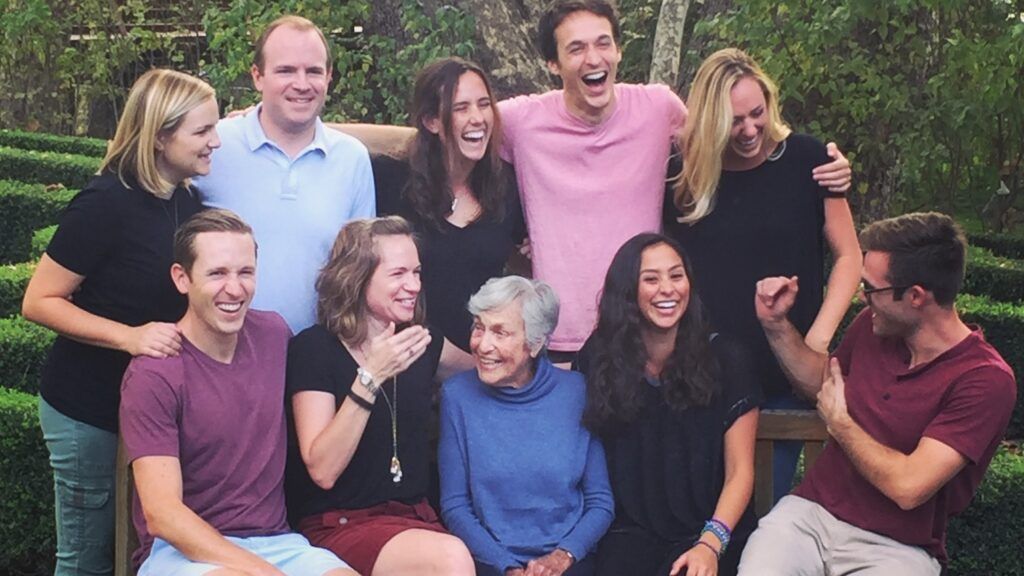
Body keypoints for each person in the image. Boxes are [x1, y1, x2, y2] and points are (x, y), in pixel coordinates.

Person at [334, 0, 853, 364]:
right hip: (554, 340)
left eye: (603, 43)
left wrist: (819, 162)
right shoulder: (521, 121)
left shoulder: (657, 109)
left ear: (619, 51)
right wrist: (318, 133)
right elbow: (449, 126)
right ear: (553, 63)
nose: (593, 58)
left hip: (643, 334)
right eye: (576, 48)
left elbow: (731, 139)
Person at [741, 212, 1016, 575]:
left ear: (916, 296)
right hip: (810, 518)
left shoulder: (984, 380)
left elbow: (908, 486)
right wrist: (775, 325)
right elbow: (823, 383)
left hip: (896, 549)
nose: (860, 296)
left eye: (871, 288)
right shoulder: (873, 329)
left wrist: (841, 424)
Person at [20, 68, 215, 575]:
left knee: (138, 550)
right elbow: (39, 300)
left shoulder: (185, 199)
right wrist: (129, 337)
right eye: (202, 131)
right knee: (87, 559)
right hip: (88, 410)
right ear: (160, 135)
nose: (215, 142)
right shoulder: (105, 202)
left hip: (148, 412)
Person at [664, 47, 862, 502]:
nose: (751, 129)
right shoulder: (685, 177)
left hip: (783, 375)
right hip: (702, 380)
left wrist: (817, 339)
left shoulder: (810, 159)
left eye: (758, 113)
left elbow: (849, 255)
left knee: (760, 514)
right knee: (697, 511)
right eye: (735, 121)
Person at [119, 209, 355, 576]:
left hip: (277, 540)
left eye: (245, 272)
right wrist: (262, 572)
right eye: (217, 273)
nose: (235, 288)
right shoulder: (155, 372)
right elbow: (163, 514)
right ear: (182, 279)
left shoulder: (274, 334)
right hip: (181, 551)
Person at [285, 216, 475, 576]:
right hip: (341, 522)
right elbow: (323, 469)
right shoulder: (315, 349)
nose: (414, 285)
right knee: (450, 559)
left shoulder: (420, 341)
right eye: (399, 273)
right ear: (357, 278)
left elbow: (484, 368)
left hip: (415, 518)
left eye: (417, 273)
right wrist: (371, 376)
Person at [575, 233, 761, 576]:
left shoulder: (727, 359)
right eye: (651, 279)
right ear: (628, 290)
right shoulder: (599, 358)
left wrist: (710, 544)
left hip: (711, 530)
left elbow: (740, 472)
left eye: (676, 275)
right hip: (627, 534)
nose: (668, 289)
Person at [194, 15, 375, 333]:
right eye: (286, 70)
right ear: (257, 77)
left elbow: (360, 270)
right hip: (220, 357)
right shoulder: (215, 146)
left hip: (315, 358)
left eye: (314, 71)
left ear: (329, 77)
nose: (302, 84)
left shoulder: (352, 158)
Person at [439, 276, 614, 576]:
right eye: (479, 327)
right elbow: (455, 506)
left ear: (535, 344)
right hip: (489, 563)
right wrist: (506, 567)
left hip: (570, 563)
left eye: (500, 332)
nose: (483, 345)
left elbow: (601, 501)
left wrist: (562, 557)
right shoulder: (457, 396)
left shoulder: (578, 392)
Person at [374, 57, 526, 353]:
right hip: (405, 358)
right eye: (461, 108)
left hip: (483, 362)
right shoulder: (390, 181)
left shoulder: (506, 186)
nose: (478, 118)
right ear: (431, 121)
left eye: (484, 104)